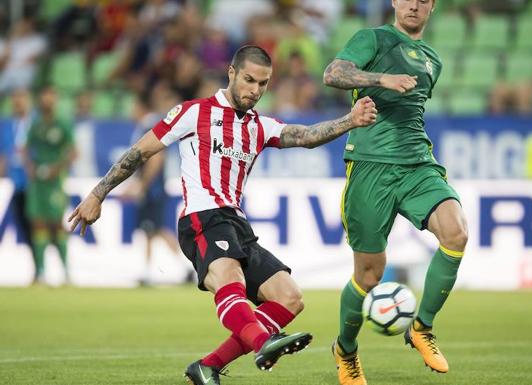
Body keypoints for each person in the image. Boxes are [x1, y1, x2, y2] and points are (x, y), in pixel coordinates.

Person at [68, 45, 377, 385]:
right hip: (202, 217)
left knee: (290, 297)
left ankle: (207, 367)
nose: (255, 90)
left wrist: (350, 120)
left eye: (263, 84)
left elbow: (304, 136)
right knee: (231, 280)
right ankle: (264, 341)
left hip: (236, 223)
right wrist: (98, 194)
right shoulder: (193, 112)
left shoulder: (261, 126)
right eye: (248, 80)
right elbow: (139, 152)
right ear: (231, 73)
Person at [323, 0, 469, 383]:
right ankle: (346, 351)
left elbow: (412, 112)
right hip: (370, 165)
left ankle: (422, 328)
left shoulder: (432, 60)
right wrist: (381, 79)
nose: (414, 5)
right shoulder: (372, 38)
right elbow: (333, 74)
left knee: (456, 233)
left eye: (423, 0)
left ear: (432, 7)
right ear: (394, 1)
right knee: (369, 276)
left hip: (418, 164)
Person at [123, 93, 193, 285]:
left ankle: (150, 272)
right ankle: (184, 268)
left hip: (153, 189)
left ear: (140, 107)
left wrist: (143, 186)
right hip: (155, 187)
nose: (130, 112)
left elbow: (155, 159)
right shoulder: (149, 125)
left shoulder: (148, 126)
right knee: (155, 230)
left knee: (152, 228)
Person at [24, 86, 76, 284]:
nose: (47, 99)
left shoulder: (62, 123)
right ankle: (40, 273)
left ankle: (66, 273)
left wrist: (57, 168)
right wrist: (30, 168)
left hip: (55, 182)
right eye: (44, 95)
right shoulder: (36, 124)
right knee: (38, 223)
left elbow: (73, 151)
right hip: (37, 182)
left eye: (51, 96)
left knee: (56, 224)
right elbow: (26, 149)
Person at [0, 89, 35, 279]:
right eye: (15, 99)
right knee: (23, 225)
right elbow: (4, 155)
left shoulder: (36, 123)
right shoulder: (6, 126)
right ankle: (36, 268)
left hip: (36, 184)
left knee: (40, 225)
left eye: (21, 98)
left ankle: (45, 268)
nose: (18, 102)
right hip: (16, 183)